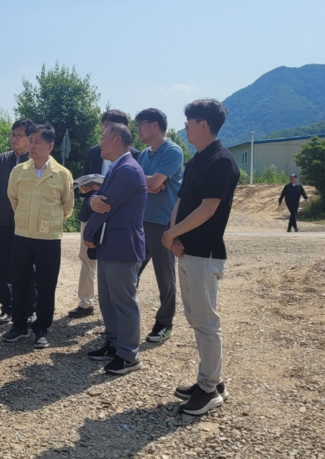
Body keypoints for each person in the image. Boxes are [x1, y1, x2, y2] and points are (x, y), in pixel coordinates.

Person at [162, 99, 239, 416]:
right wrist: (174, 235)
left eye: (189, 122)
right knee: (196, 319)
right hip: (186, 250)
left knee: (206, 322)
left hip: (205, 254)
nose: (185, 127)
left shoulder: (222, 161)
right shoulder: (197, 161)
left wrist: (173, 234)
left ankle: (210, 389)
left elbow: (209, 209)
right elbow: (182, 202)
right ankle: (210, 380)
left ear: (203, 125)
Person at [83, 123, 147, 375]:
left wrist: (88, 233)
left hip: (122, 245)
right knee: (109, 300)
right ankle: (114, 344)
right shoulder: (118, 167)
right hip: (111, 244)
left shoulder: (128, 170)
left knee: (124, 301)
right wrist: (91, 198)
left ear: (118, 139)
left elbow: (105, 205)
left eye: (103, 138)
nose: (100, 143)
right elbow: (98, 199)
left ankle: (129, 354)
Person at [2, 124, 74, 349]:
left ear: (50, 146)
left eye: (37, 142)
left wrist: (48, 221)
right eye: (30, 140)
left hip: (49, 238)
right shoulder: (19, 171)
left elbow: (67, 207)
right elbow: (13, 199)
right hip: (22, 235)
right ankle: (19, 325)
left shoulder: (62, 174)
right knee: (20, 281)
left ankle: (41, 327)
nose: (31, 145)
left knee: (46, 284)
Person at [69, 110, 139, 319]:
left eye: (108, 125)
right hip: (92, 211)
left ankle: (117, 307)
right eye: (103, 124)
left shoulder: (135, 155)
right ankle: (85, 302)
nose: (103, 129)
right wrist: (87, 192)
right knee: (87, 257)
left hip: (118, 216)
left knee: (116, 263)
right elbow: (86, 179)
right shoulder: (94, 152)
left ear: (120, 132)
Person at [133, 108, 184, 344]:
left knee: (165, 278)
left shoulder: (172, 151)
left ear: (154, 125)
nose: (138, 129)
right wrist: (148, 183)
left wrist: (148, 182)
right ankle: (127, 318)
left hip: (163, 223)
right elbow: (141, 182)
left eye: (141, 124)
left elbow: (152, 181)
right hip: (141, 221)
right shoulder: (144, 153)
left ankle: (165, 323)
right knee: (130, 271)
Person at [0, 118, 35, 324]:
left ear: (29, 138)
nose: (14, 138)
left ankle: (30, 309)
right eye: (13, 134)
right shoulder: (2, 160)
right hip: (4, 222)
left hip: (26, 225)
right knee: (3, 267)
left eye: (19, 135)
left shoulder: (35, 161)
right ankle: (7, 308)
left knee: (27, 268)